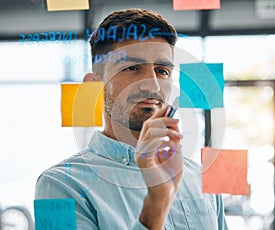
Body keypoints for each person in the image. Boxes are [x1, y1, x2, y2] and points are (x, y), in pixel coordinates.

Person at [35, 8, 228, 230]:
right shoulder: (59, 185)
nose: (153, 85)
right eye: (132, 68)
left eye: (162, 71)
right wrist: (157, 202)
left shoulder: (201, 178)